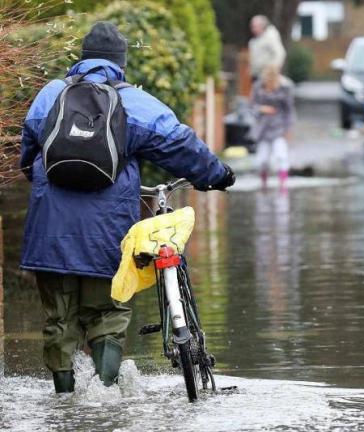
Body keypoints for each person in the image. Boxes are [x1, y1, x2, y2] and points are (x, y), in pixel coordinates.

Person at [18, 22, 235, 393]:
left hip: (48, 234)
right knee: (107, 315)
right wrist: (218, 175)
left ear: (81, 58)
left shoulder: (51, 94)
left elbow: (27, 157)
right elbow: (178, 143)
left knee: (60, 320)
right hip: (108, 236)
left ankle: (65, 398)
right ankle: (102, 397)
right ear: (121, 63)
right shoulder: (132, 101)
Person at [249, 64, 295, 190]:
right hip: (262, 129)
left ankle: (283, 184)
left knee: (281, 156)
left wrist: (288, 129)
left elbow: (289, 111)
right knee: (262, 161)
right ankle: (263, 183)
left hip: (278, 128)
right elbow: (251, 106)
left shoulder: (285, 89)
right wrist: (262, 109)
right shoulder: (257, 87)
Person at [248, 15, 286, 81]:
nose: (253, 29)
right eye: (252, 26)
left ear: (262, 26)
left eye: (254, 26)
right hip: (256, 75)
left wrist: (272, 71)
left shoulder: (270, 37)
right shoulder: (255, 40)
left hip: (267, 77)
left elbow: (280, 53)